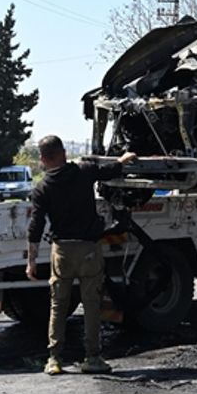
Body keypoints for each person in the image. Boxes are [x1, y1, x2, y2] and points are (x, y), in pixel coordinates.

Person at [26, 135, 137, 375]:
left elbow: (35, 226)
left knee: (58, 306)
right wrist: (124, 159)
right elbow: (109, 170)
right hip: (88, 250)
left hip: (62, 252)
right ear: (64, 153)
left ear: (43, 160)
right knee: (91, 305)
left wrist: (31, 261)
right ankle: (92, 358)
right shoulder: (83, 172)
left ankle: (54, 359)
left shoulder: (42, 188)